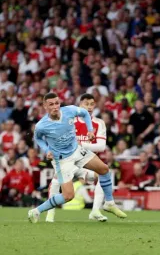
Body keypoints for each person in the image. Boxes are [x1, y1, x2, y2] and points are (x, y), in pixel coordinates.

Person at [28, 93, 126, 223]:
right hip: (62, 160)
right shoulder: (42, 125)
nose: (55, 107)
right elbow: (38, 138)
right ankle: (36, 211)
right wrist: (47, 150)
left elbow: (85, 113)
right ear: (45, 106)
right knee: (68, 196)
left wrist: (90, 130)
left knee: (104, 169)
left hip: (77, 151)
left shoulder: (69, 110)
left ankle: (109, 203)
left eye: (57, 103)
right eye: (51, 104)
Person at [46, 93, 112, 222]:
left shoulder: (99, 123)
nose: (89, 107)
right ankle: (50, 215)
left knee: (103, 175)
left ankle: (95, 211)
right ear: (79, 106)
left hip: (85, 164)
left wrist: (81, 144)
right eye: (85, 104)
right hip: (68, 162)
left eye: (92, 104)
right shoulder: (68, 121)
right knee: (55, 181)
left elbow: (101, 147)